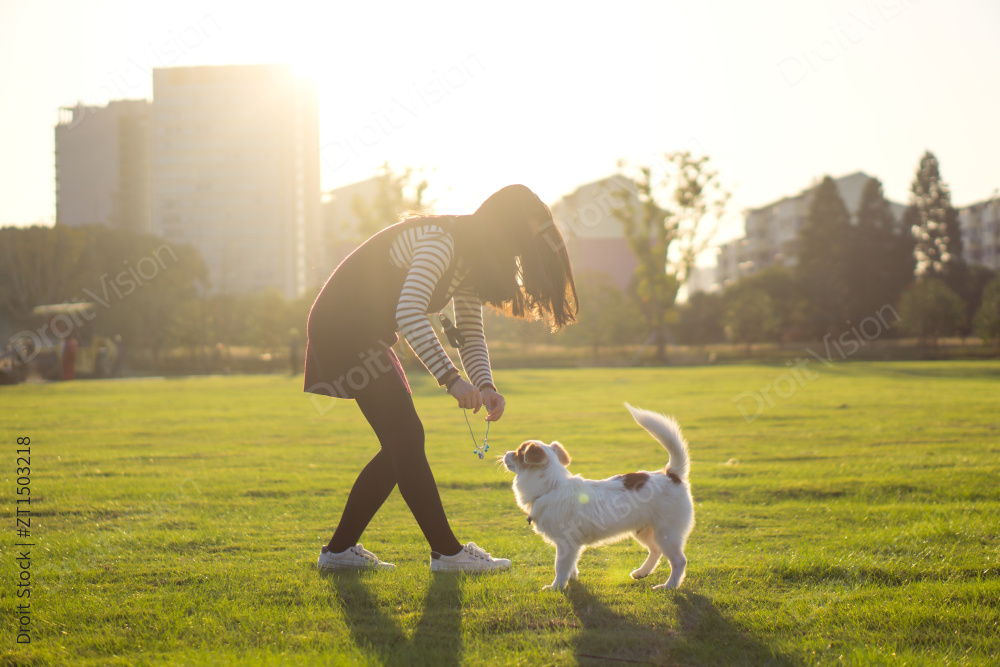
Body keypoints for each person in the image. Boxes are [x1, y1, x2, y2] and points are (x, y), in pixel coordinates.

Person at [304, 184, 578, 572]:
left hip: (367, 334)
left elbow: (469, 329)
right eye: (522, 238)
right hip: (344, 328)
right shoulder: (443, 241)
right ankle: (447, 554)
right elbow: (410, 312)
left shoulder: (472, 258)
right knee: (407, 439)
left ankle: (339, 552)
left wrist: (485, 385)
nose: (522, 252)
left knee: (402, 444)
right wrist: (452, 379)